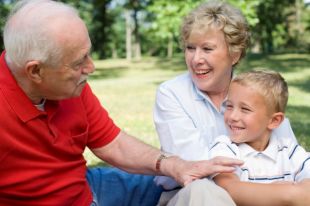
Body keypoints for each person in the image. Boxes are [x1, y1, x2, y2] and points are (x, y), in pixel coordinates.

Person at [0, 0, 243, 205]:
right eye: (78, 62)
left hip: (87, 184)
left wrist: (175, 165)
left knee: (185, 187)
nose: (91, 67)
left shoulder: (72, 86)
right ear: (35, 71)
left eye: (88, 54)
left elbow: (113, 144)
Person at [154, 1, 297, 205]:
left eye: (207, 49)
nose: (196, 59)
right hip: (191, 195)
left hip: (263, 193)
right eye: (190, 48)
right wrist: (287, 193)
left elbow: (290, 155)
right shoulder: (172, 93)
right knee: (202, 189)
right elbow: (198, 169)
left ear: (234, 54)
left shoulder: (257, 94)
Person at [209, 70, 310, 205]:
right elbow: (228, 189)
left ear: (274, 121)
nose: (232, 116)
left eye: (245, 109)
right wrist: (286, 193)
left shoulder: (289, 151)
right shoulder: (225, 148)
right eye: (229, 106)